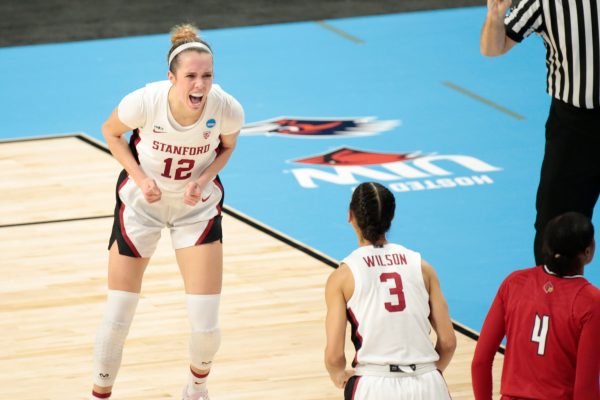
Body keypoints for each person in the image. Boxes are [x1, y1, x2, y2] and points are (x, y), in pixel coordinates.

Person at [90, 23, 244, 400]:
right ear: (171, 77)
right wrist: (140, 177)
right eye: (191, 76)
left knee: (205, 326)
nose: (200, 85)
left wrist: (204, 178)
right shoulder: (144, 101)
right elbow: (111, 132)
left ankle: (196, 389)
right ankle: (99, 393)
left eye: (207, 75)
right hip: (142, 206)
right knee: (118, 314)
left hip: (196, 210)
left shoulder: (227, 109)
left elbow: (227, 147)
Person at [480, 0, 600, 265]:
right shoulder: (544, 2)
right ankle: (553, 301)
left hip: (573, 127)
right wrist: (495, 16)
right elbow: (492, 47)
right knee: (555, 227)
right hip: (574, 129)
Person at [324, 182, 456, 399]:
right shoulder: (422, 266)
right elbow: (448, 342)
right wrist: (430, 373)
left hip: (375, 385)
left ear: (350, 216)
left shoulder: (342, 277)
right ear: (391, 218)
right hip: (428, 383)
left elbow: (334, 356)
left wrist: (338, 375)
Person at [471, 212, 600, 399]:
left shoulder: (514, 283)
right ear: (588, 252)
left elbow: (480, 362)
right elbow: (586, 390)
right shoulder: (591, 301)